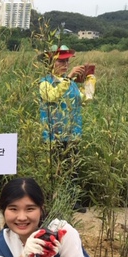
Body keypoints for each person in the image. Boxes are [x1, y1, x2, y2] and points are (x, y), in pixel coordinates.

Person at [38, 45, 96, 213]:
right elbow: (52, 96)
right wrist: (69, 77)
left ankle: (72, 202)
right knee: (55, 170)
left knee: (72, 169)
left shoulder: (70, 84)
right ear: (50, 64)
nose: (65, 65)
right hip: (53, 135)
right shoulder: (45, 83)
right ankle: (52, 202)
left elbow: (84, 100)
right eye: (61, 62)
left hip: (72, 133)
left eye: (67, 62)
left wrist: (90, 82)